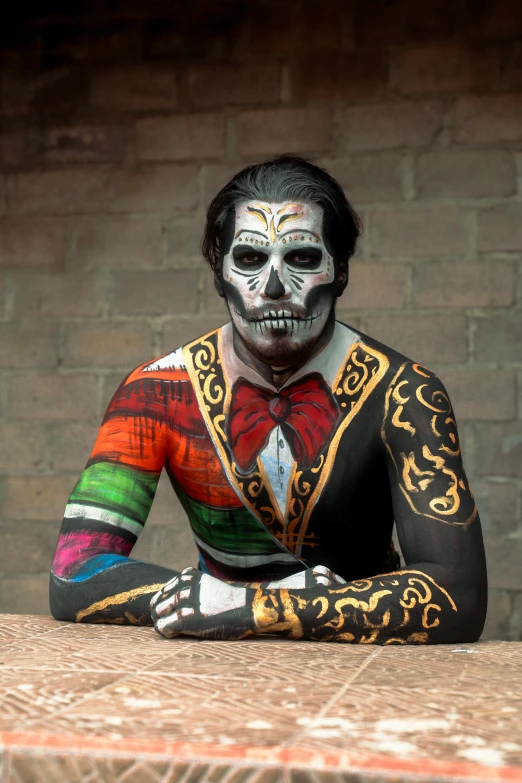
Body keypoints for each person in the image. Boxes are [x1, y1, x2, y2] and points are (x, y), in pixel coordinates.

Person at [49, 156, 487, 644]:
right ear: (219, 275)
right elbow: (74, 571)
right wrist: (197, 601)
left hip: (360, 673)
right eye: (251, 259)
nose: (274, 287)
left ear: (340, 270)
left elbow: (458, 595)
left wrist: (251, 607)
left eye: (301, 258)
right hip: (215, 674)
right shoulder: (157, 392)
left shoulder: (405, 394)